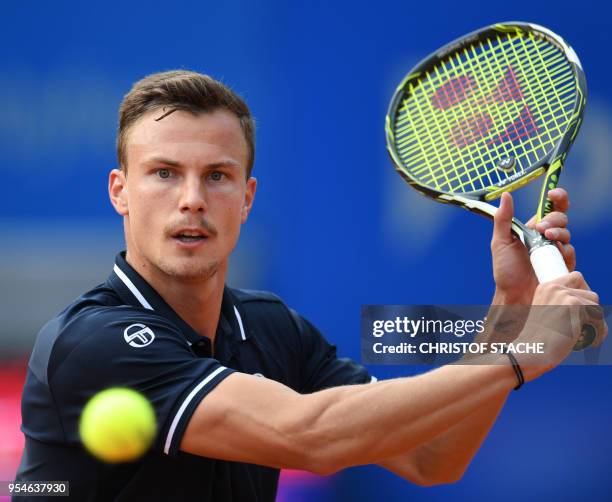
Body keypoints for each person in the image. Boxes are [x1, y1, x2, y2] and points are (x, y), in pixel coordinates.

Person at [15, 70, 605, 501]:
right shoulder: (92, 343)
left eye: (217, 176)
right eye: (164, 173)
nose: (192, 199)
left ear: (247, 198)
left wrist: (512, 308)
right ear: (120, 191)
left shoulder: (273, 329)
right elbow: (311, 436)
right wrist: (518, 355)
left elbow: (432, 459)